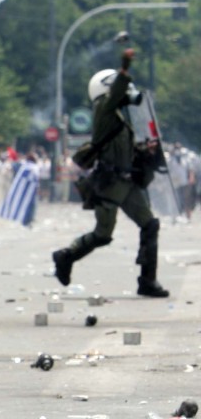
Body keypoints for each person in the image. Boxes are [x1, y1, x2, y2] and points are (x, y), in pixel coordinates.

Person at [52, 49, 169, 297]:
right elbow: (116, 94)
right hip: (110, 184)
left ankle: (148, 281)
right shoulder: (103, 111)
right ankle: (66, 256)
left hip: (127, 183)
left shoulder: (119, 119)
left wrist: (146, 151)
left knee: (150, 225)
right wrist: (124, 69)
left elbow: (124, 149)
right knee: (103, 235)